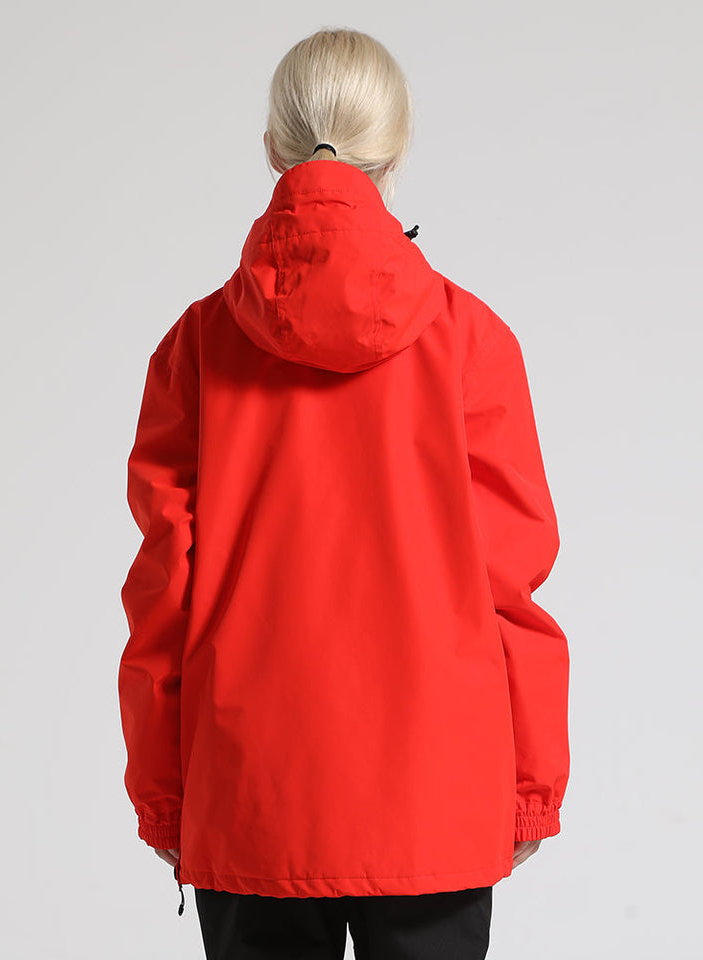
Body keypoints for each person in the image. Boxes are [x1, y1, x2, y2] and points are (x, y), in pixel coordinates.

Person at [117, 26, 570, 960]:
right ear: (394, 153)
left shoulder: (196, 347)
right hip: (435, 794)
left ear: (272, 151)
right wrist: (530, 787)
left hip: (252, 797)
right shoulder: (474, 341)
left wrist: (164, 794)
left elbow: (163, 593)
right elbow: (511, 586)